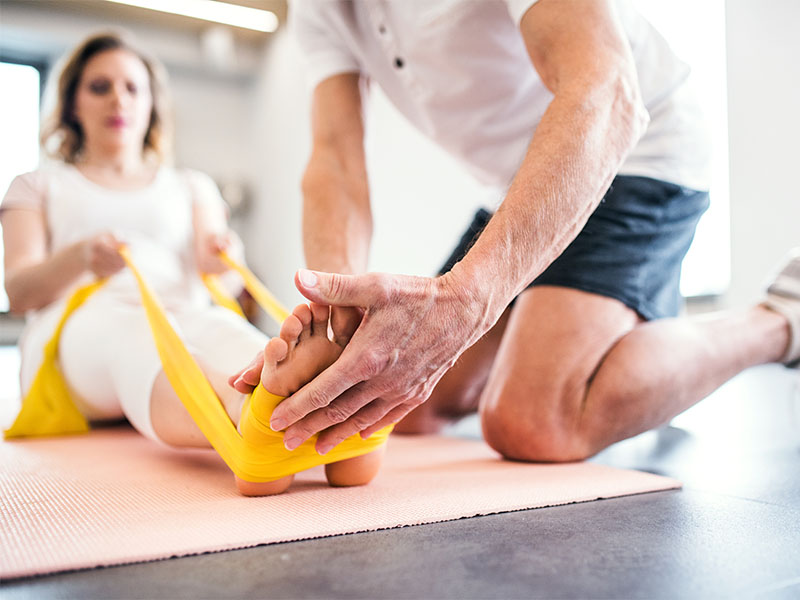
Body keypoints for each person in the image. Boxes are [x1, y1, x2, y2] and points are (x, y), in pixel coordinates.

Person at [232, 0, 800, 460]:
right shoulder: (318, 7)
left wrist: (469, 301)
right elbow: (335, 160)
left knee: (534, 422)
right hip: (521, 180)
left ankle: (778, 320)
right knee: (407, 406)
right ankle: (618, 346)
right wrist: (338, 325)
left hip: (635, 148)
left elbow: (604, 92)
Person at [1, 31, 382, 495]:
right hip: (80, 324)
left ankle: (322, 413)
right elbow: (19, 292)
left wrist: (224, 253)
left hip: (184, 309)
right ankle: (249, 420)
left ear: (151, 106)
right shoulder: (36, 185)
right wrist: (81, 256)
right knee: (140, 341)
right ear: (72, 103)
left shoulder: (190, 186)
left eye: (132, 88)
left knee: (230, 334)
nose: (117, 100)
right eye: (99, 87)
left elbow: (214, 264)